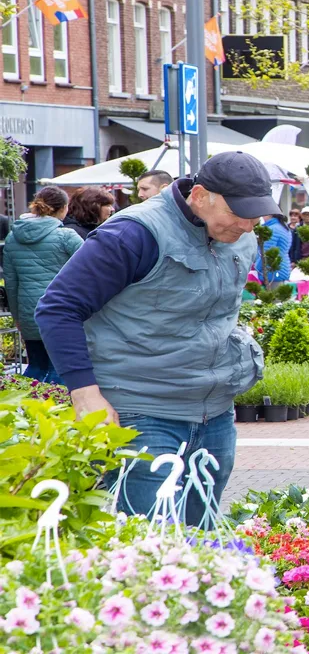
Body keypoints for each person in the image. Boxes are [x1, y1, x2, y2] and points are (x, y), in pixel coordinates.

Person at [34, 151, 278, 527]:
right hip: (141, 412)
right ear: (199, 196)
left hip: (214, 414)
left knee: (200, 547)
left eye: (256, 214)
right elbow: (58, 307)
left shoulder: (238, 235)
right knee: (150, 546)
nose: (249, 225)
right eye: (239, 212)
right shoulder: (133, 233)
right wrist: (85, 394)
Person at [4, 187, 83, 384]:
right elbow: (91, 270)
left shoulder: (13, 237)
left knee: (37, 365)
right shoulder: (67, 236)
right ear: (64, 208)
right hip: (62, 310)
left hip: (28, 310)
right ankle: (58, 411)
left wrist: (17, 317)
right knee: (62, 369)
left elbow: (11, 283)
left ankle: (20, 406)